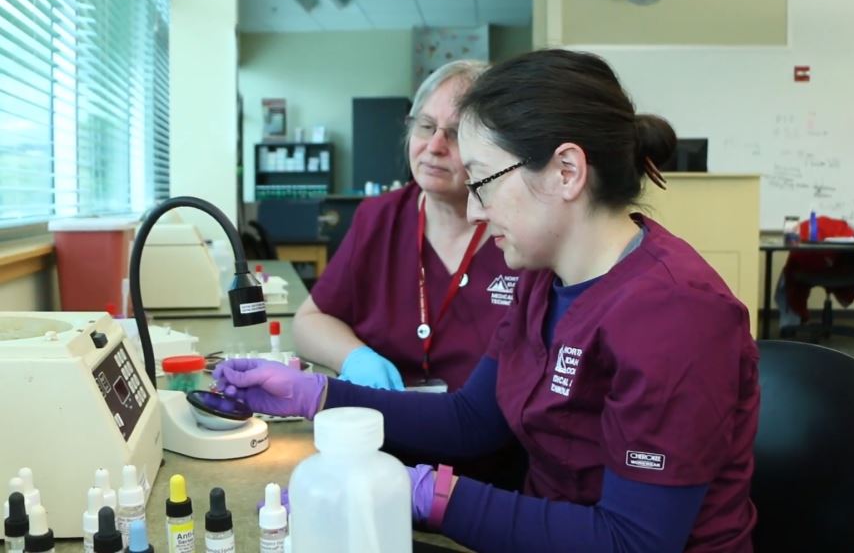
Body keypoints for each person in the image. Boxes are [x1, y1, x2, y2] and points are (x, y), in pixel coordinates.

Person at [216, 49, 760, 552]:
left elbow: (631, 541)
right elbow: (471, 418)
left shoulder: (675, 315)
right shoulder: (544, 278)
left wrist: (432, 497)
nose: (474, 212)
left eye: (482, 181)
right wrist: (319, 395)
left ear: (566, 171)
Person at [293, 59, 520, 392]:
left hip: (488, 435)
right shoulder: (379, 218)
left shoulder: (519, 230)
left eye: (456, 134)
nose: (434, 146)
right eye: (426, 126)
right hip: (386, 425)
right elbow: (309, 322)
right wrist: (355, 357)